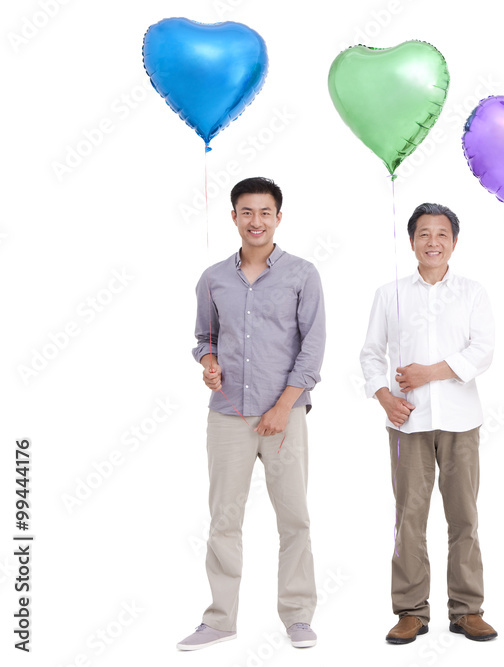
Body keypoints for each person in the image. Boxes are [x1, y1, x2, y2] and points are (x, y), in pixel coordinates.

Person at [178, 177, 325, 651]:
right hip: (227, 414)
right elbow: (204, 338)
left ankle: (298, 616)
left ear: (279, 217)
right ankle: (220, 619)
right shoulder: (213, 278)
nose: (256, 221)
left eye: (265, 212)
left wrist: (284, 406)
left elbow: (313, 348)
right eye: (247, 212)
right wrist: (209, 364)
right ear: (234, 217)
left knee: (294, 519)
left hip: (284, 416)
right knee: (223, 518)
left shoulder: (303, 275)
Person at [359, 203, 498, 644]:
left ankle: (466, 609)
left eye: (442, 234)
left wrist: (429, 372)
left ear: (454, 242)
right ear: (412, 241)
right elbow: (370, 353)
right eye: (424, 234)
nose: (433, 241)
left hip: (461, 422)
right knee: (408, 519)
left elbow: (484, 351)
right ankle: (411, 611)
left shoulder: (473, 292)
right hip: (407, 423)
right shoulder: (390, 294)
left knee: (465, 519)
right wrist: (384, 398)